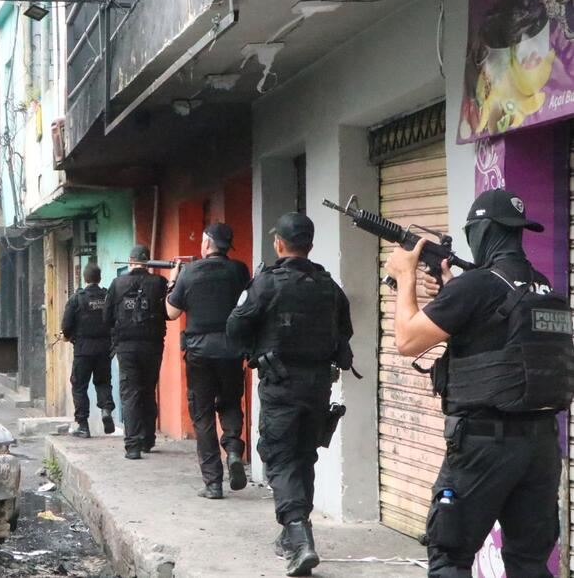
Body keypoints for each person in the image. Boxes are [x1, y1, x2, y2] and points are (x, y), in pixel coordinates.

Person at [384, 189, 573, 578]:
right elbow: (498, 333)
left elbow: (407, 340)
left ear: (481, 231)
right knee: (528, 563)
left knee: (450, 558)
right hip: (540, 447)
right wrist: (452, 289)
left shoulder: (476, 287)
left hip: (483, 446)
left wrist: (404, 277)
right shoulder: (543, 289)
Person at [227, 212, 353, 577]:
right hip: (317, 387)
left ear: (279, 244)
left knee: (280, 459)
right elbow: (344, 330)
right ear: (310, 245)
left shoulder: (267, 283)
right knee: (303, 457)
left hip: (281, 386)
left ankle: (299, 538)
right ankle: (291, 535)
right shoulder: (329, 286)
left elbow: (235, 328)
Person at [166, 223, 251, 499]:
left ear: (205, 244)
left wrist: (172, 281)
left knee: (202, 414)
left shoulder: (189, 273)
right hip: (231, 349)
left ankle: (213, 483)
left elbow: (171, 313)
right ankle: (234, 450)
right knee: (230, 403)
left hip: (199, 352)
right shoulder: (239, 270)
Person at [105, 244, 169, 460]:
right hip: (152, 346)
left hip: (127, 348)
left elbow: (106, 317)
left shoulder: (117, 283)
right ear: (148, 261)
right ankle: (147, 439)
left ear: (130, 261)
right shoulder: (159, 283)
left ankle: (132, 446)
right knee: (148, 390)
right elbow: (168, 312)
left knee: (131, 393)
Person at [61, 263, 116, 438]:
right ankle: (106, 410)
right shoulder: (108, 296)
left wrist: (68, 336)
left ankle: (83, 426)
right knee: (103, 382)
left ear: (85, 279)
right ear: (99, 278)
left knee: (79, 386)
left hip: (83, 350)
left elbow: (66, 326)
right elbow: (115, 321)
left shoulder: (77, 298)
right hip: (104, 349)